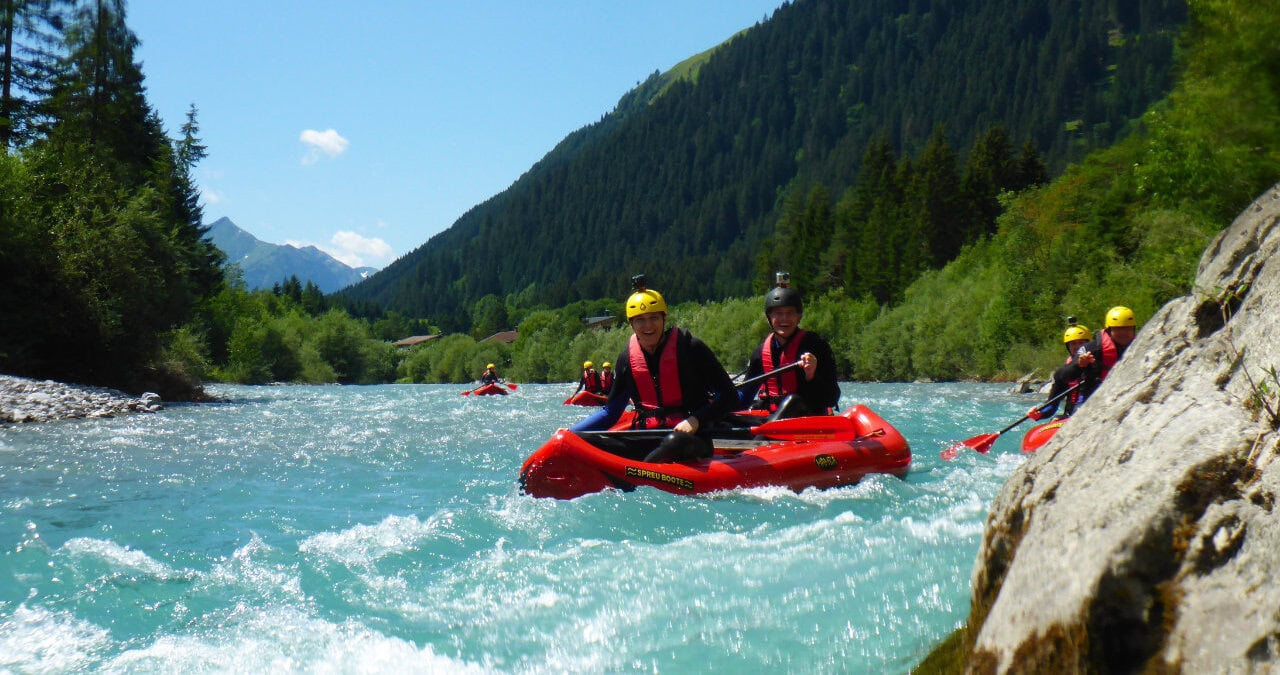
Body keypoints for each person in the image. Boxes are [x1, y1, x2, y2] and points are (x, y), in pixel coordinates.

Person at [571, 276, 737, 439]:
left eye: (654, 318)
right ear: (631, 324)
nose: (648, 325)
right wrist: (569, 434)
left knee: (674, 441)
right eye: (640, 320)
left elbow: (729, 397)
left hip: (691, 437)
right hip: (648, 436)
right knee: (582, 442)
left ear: (664, 319)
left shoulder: (691, 348)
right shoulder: (626, 359)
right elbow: (610, 412)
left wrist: (697, 420)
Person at [736, 272, 840, 417]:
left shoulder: (816, 346)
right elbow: (744, 397)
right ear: (769, 317)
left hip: (806, 418)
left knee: (793, 401)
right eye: (778, 313)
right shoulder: (760, 353)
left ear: (799, 317)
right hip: (771, 419)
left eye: (790, 313)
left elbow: (832, 398)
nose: (784, 318)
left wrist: (811, 376)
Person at [1059, 306, 1139, 404]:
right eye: (1118, 329)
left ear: (1133, 330)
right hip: (1093, 401)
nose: (1123, 333)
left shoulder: (1141, 346)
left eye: (1127, 329)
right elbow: (1064, 376)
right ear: (1109, 330)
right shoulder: (1092, 348)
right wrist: (1079, 365)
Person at [1027, 321, 1092, 421]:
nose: (1078, 347)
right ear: (1068, 347)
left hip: (1092, 411)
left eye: (1081, 343)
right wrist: (1039, 413)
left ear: (1089, 345)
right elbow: (1052, 405)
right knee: (1055, 420)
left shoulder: (1098, 365)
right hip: (1071, 416)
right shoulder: (1064, 374)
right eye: (1073, 344)